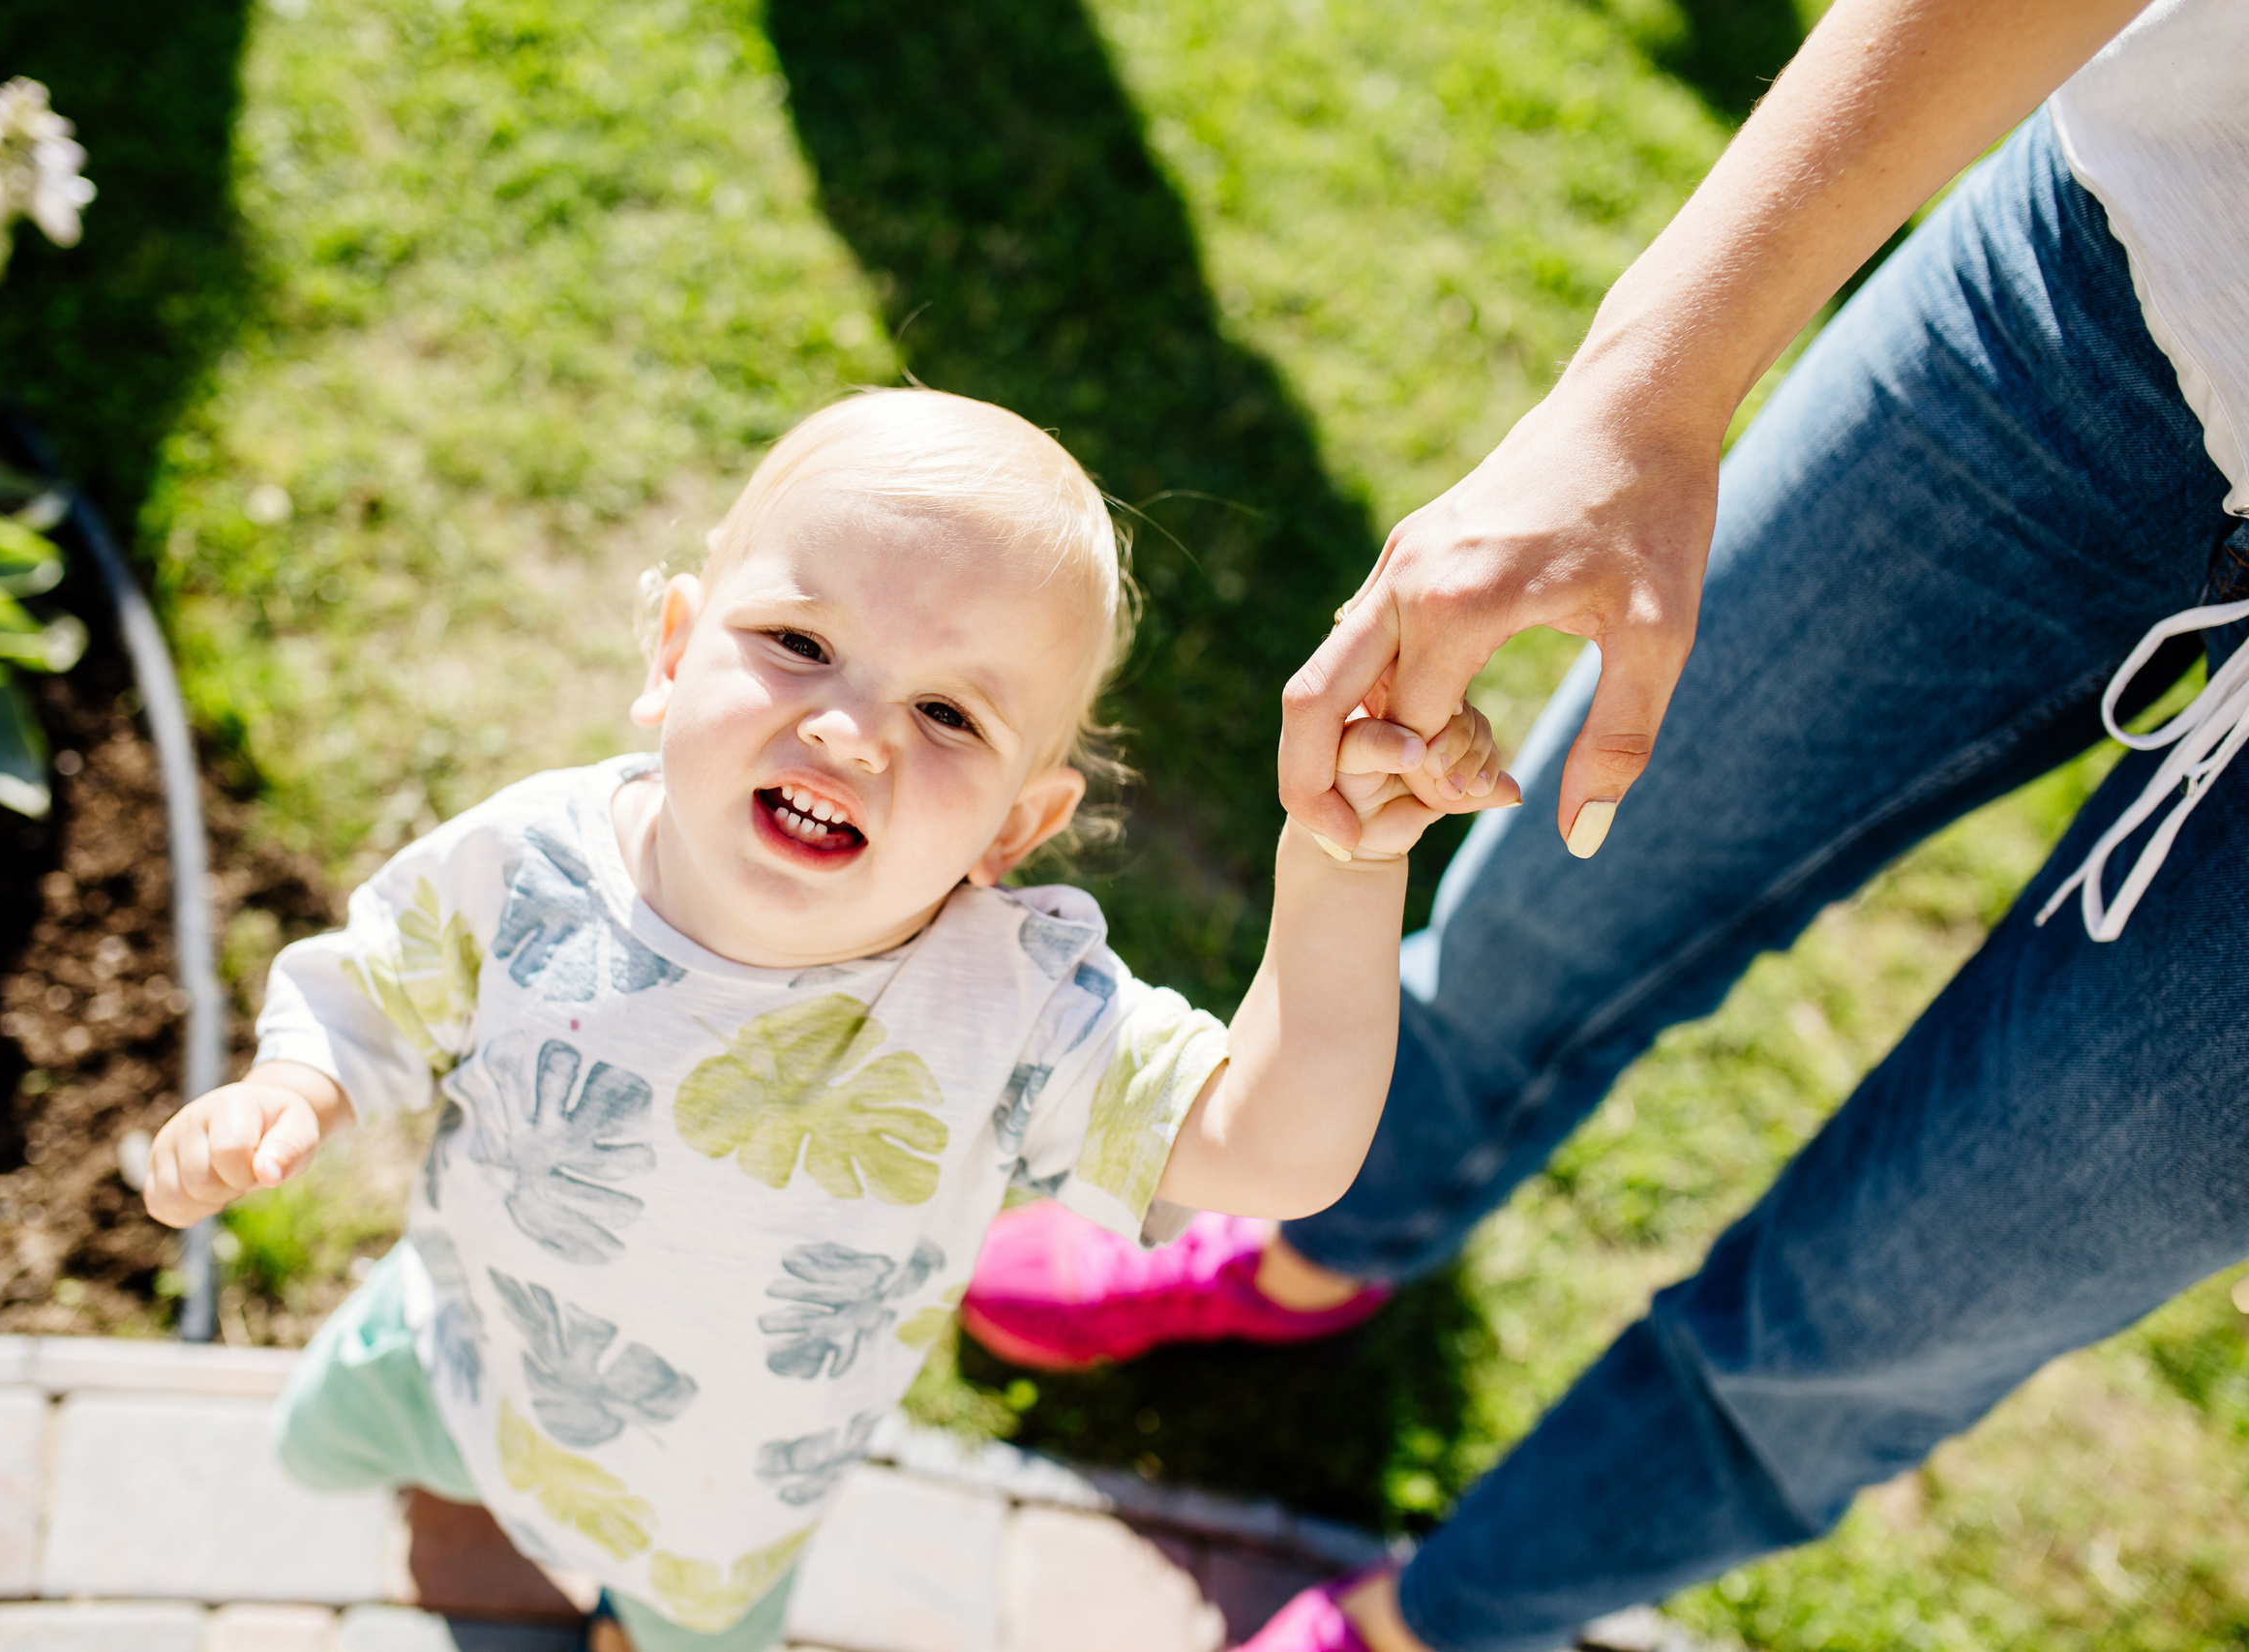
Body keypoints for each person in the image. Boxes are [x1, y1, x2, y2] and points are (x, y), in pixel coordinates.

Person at [959, 0, 2249, 1646]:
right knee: (1552, 909)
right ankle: (1309, 1253)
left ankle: (1434, 1623)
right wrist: (1654, 380)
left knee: (1898, 1298)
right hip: (2122, 292)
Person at [141, 388, 1517, 1652]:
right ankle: (457, 1527)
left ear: (1016, 828)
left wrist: (1340, 870)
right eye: (800, 644)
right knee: (371, 1470)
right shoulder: (536, 862)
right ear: (674, 655)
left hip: (714, 1517)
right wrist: (295, 1091)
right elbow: (375, 982)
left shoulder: (1012, 1014)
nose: (853, 733)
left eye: (946, 713)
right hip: (462, 1355)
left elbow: (1277, 1152)